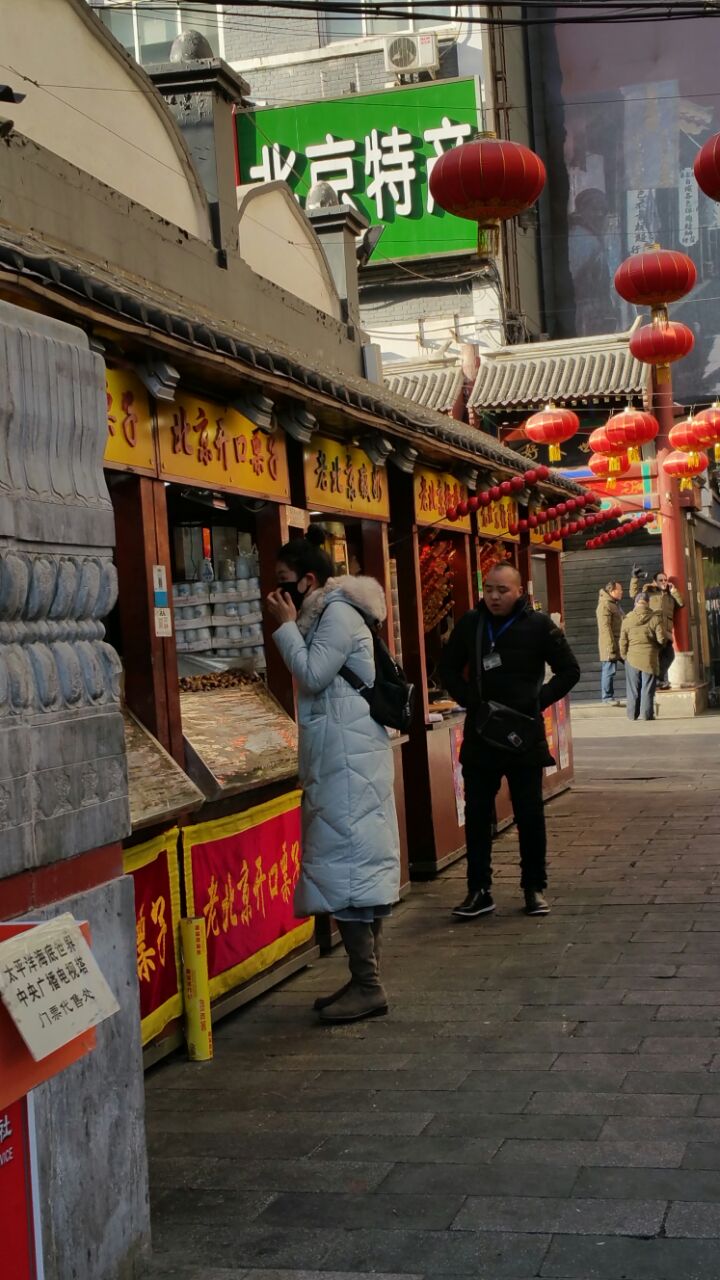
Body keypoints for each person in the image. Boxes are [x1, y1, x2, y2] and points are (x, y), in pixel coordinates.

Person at [266, 527, 400, 1025]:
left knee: (349, 869)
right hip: (345, 756)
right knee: (355, 868)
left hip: (348, 760)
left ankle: (369, 985)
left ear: (307, 580)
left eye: (284, 583)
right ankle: (364, 980)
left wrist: (283, 626)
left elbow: (315, 674)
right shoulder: (326, 612)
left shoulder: (338, 614)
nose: (276, 592)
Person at [439, 563, 580, 920]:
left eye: (502, 590)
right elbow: (447, 668)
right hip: (482, 732)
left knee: (529, 814)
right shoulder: (473, 623)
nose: (495, 596)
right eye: (489, 589)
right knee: (476, 815)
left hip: (523, 734)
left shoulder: (538, 625)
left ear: (519, 591)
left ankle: (534, 887)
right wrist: (470, 699)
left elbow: (570, 671)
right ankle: (479, 889)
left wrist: (538, 702)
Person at [630, 566, 684, 688]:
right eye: (661, 580)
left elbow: (681, 604)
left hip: (667, 632)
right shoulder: (649, 593)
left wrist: (674, 590)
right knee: (659, 657)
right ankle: (657, 680)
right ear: (655, 582)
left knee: (669, 656)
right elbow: (634, 595)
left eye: (665, 580)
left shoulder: (670, 596)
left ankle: (658, 679)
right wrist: (634, 578)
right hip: (654, 631)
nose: (664, 582)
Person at [620, 592, 666, 721]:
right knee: (647, 688)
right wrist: (658, 648)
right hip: (649, 658)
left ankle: (632, 714)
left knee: (633, 688)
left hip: (632, 658)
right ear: (648, 603)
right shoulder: (655, 618)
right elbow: (661, 639)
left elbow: (623, 641)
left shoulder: (627, 619)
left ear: (636, 603)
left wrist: (624, 656)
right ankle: (646, 714)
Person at [596, 580, 624, 705]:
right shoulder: (605, 605)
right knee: (609, 669)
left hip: (620, 642)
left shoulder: (615, 604)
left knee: (631, 665)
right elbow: (605, 627)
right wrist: (610, 645)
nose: (622, 592)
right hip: (610, 643)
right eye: (620, 589)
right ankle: (607, 697)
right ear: (612, 591)